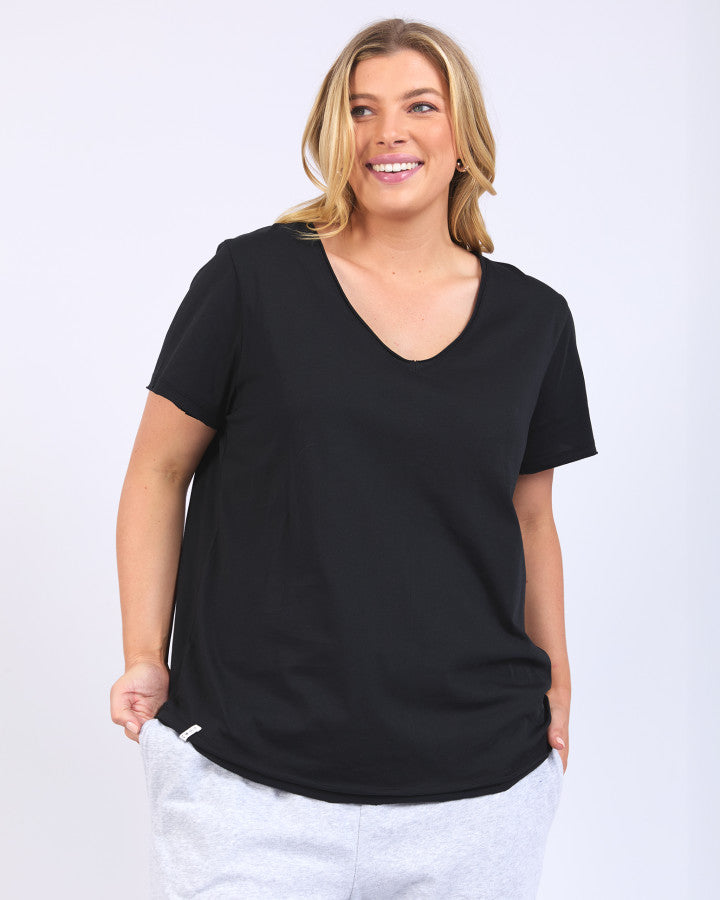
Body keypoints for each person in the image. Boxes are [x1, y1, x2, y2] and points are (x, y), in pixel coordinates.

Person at [111, 17, 598, 899]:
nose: (388, 133)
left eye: (420, 106)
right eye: (362, 110)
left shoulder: (534, 322)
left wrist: (558, 681)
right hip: (247, 786)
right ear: (335, 133)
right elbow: (158, 471)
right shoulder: (251, 281)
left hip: (477, 792)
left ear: (464, 135)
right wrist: (145, 651)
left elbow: (531, 518)